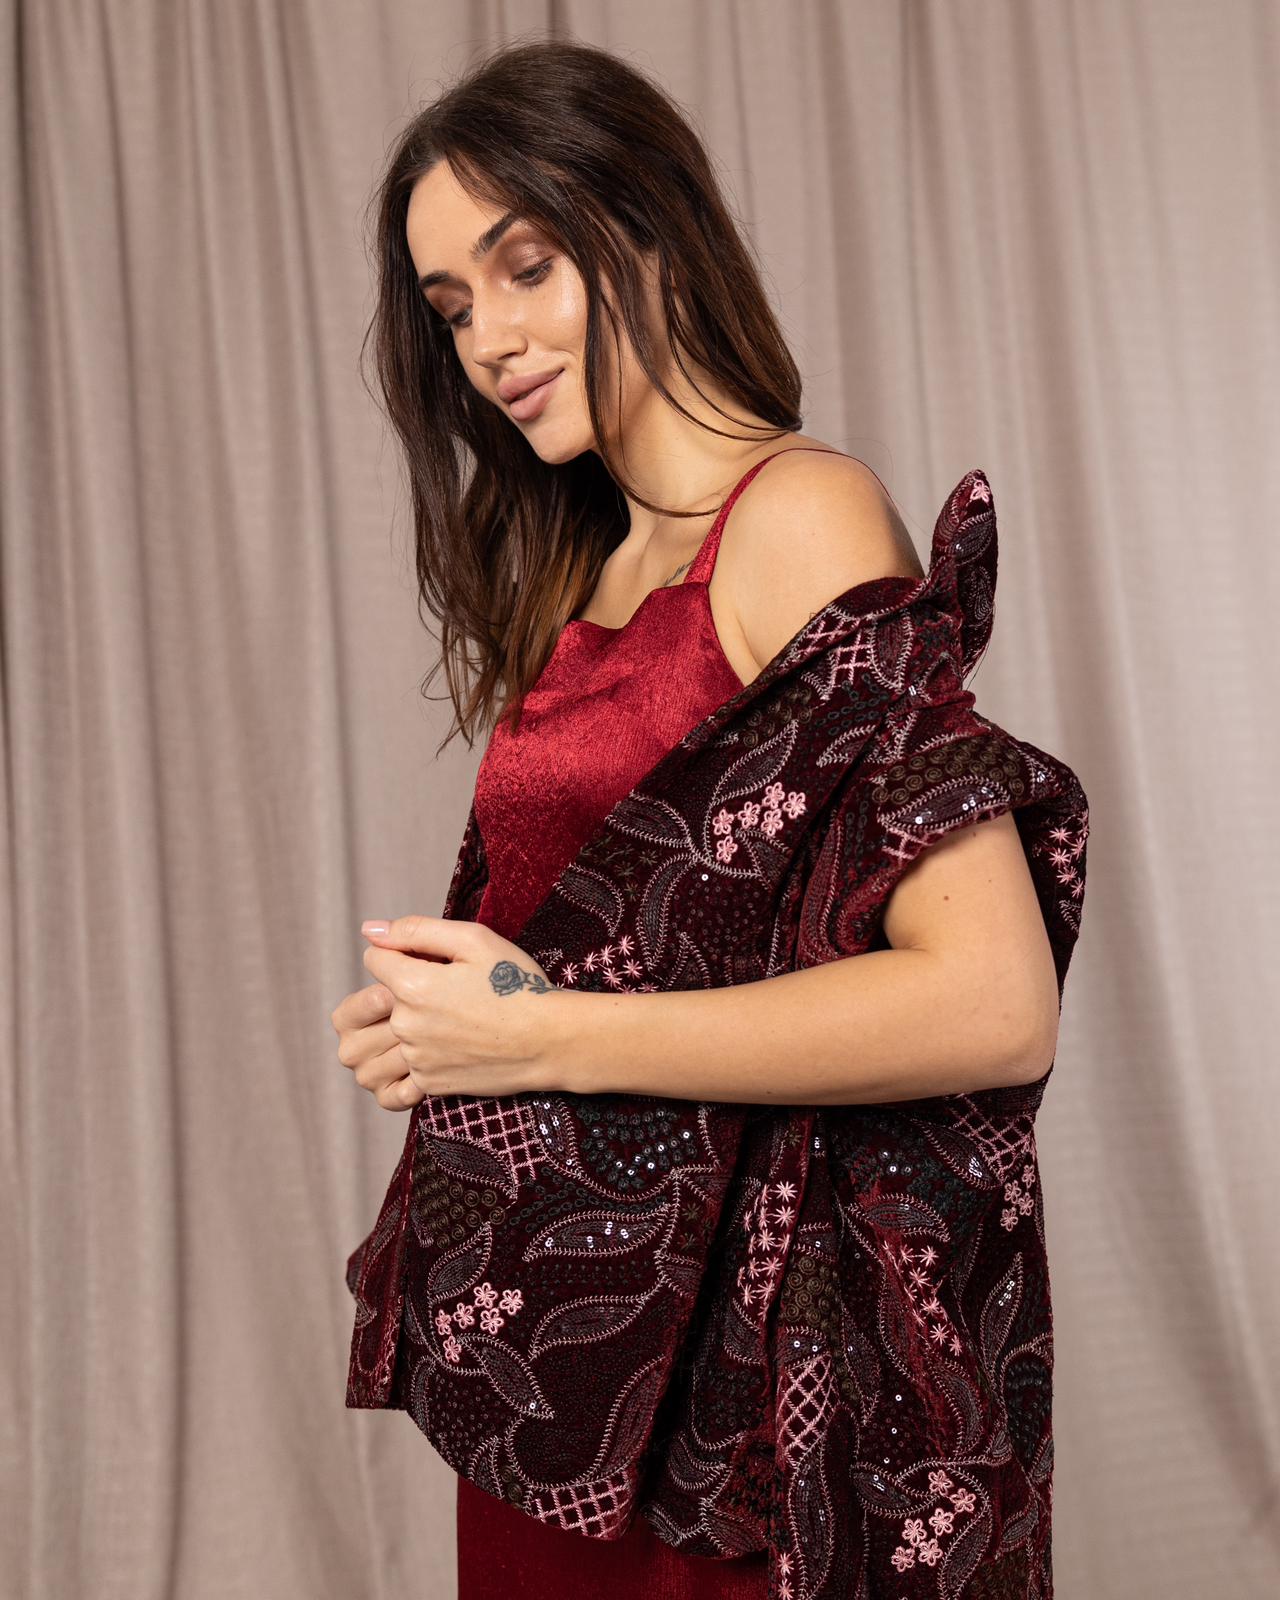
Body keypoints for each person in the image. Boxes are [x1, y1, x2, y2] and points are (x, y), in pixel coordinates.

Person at [331, 37, 1084, 1600]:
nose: (487, 339)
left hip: (734, 1389)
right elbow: (667, 931)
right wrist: (456, 1022)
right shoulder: (594, 565)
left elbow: (992, 1000)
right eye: (452, 305)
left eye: (526, 268)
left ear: (653, 232)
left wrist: (537, 1035)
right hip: (582, 1372)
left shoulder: (797, 515)